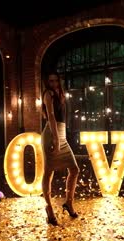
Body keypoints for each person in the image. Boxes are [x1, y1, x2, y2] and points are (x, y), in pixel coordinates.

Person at [41, 71, 80, 226]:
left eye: (56, 80)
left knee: (74, 169)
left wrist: (61, 138)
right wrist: (56, 140)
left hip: (61, 134)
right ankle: (49, 208)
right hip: (51, 135)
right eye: (51, 81)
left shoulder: (61, 94)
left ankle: (69, 202)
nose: (54, 83)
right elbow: (50, 116)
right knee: (48, 172)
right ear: (47, 82)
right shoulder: (48, 94)